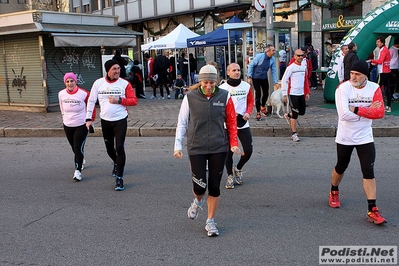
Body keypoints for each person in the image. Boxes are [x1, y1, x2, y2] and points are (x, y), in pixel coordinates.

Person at [173, 64, 240, 237]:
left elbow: (232, 122)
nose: (209, 87)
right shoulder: (190, 97)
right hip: (197, 147)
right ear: (200, 82)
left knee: (215, 187)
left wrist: (233, 143)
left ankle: (210, 221)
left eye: (212, 83)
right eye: (205, 83)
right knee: (199, 186)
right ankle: (197, 200)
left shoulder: (224, 96)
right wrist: (177, 146)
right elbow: (182, 123)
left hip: (219, 146)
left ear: (216, 81)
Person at [330, 60, 387, 225]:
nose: (353, 77)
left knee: (368, 170)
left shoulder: (374, 88)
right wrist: (369, 110)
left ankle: (372, 209)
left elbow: (380, 113)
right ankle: (334, 190)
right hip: (345, 136)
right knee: (341, 166)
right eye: (352, 73)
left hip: (365, 136)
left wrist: (355, 108)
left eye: (357, 74)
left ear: (365, 76)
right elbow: (344, 115)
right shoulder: (343, 88)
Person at [85, 60, 138, 191]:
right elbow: (91, 101)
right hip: (105, 121)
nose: (117, 71)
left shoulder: (124, 84)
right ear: (107, 70)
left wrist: (119, 100)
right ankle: (116, 161)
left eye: (119, 68)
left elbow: (134, 101)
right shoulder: (98, 83)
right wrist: (88, 118)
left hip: (120, 120)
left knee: (119, 147)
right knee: (109, 149)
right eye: (114, 69)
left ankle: (119, 178)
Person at [219, 63, 254, 189]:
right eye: (234, 70)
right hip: (228, 124)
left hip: (243, 122)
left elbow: (250, 101)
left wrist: (248, 112)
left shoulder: (246, 86)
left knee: (248, 150)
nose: (237, 72)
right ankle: (229, 175)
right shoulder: (222, 88)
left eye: (239, 70)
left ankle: (238, 168)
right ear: (228, 72)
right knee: (228, 152)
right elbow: (219, 106)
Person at [58, 72, 96, 181]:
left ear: (76, 81)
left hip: (81, 124)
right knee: (74, 146)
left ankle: (78, 171)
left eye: (72, 81)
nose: (70, 83)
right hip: (68, 124)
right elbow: (62, 107)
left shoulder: (83, 93)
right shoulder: (61, 94)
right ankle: (81, 159)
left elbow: (91, 107)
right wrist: (64, 117)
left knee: (77, 147)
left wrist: (90, 120)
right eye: (67, 81)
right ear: (65, 82)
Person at [281, 49, 311, 142]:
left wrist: (307, 92)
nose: (300, 57)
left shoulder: (303, 66)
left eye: (302, 55)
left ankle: (288, 115)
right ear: (294, 56)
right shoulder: (291, 67)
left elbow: (305, 80)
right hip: (293, 93)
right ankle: (294, 133)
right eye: (298, 55)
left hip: (301, 93)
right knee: (295, 114)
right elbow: (284, 80)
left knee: (301, 112)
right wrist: (284, 94)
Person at [247, 44, 278, 121]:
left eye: (274, 50)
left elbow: (273, 70)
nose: (274, 52)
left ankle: (262, 106)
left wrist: (275, 81)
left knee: (266, 94)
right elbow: (251, 65)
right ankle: (258, 112)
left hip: (264, 77)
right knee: (258, 94)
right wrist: (249, 77)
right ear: (268, 51)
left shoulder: (272, 59)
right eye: (273, 50)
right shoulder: (259, 57)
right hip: (256, 78)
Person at [368, 36, 392, 113]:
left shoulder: (383, 50)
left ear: (382, 42)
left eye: (378, 42)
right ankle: (388, 106)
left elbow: (380, 61)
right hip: (387, 71)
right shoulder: (385, 49)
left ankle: (375, 105)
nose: (376, 43)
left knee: (376, 88)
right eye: (377, 42)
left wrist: (371, 60)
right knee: (387, 89)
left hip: (383, 72)